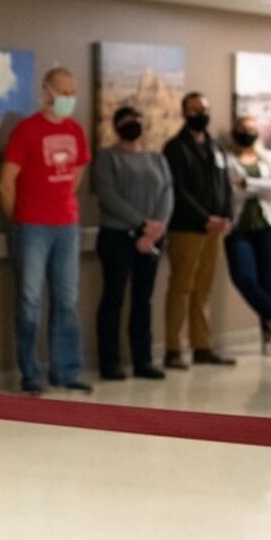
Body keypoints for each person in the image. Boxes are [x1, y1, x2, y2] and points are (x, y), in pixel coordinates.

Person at [0, 66, 92, 394]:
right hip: (32, 226)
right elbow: (6, 182)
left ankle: (65, 371)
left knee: (66, 300)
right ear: (47, 92)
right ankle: (31, 373)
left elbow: (77, 172)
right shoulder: (26, 131)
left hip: (66, 225)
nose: (69, 98)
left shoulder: (76, 132)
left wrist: (61, 199)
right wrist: (20, 219)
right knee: (29, 300)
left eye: (72, 92)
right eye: (63, 92)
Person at [89, 104, 172, 380]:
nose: (132, 124)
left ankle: (143, 359)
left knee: (143, 300)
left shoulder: (156, 158)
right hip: (117, 237)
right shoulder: (107, 158)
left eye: (136, 119)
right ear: (116, 126)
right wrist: (141, 225)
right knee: (113, 298)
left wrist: (155, 228)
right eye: (126, 120)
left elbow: (166, 192)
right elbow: (109, 196)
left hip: (152, 239)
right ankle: (110, 361)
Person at [161, 91, 238, 369]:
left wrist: (227, 215)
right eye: (194, 110)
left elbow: (225, 185)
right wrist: (204, 217)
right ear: (185, 113)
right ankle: (173, 348)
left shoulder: (215, 148)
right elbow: (177, 190)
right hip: (187, 228)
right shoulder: (175, 148)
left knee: (203, 289)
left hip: (215, 230)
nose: (200, 114)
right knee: (181, 287)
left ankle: (201, 345)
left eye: (203, 109)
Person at [222, 113, 271, 353]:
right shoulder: (226, 160)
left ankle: (268, 337)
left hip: (270, 227)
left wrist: (248, 184)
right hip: (239, 228)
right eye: (242, 128)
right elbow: (231, 191)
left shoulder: (269, 157)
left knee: (267, 281)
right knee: (244, 277)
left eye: (251, 128)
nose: (247, 132)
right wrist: (260, 186)